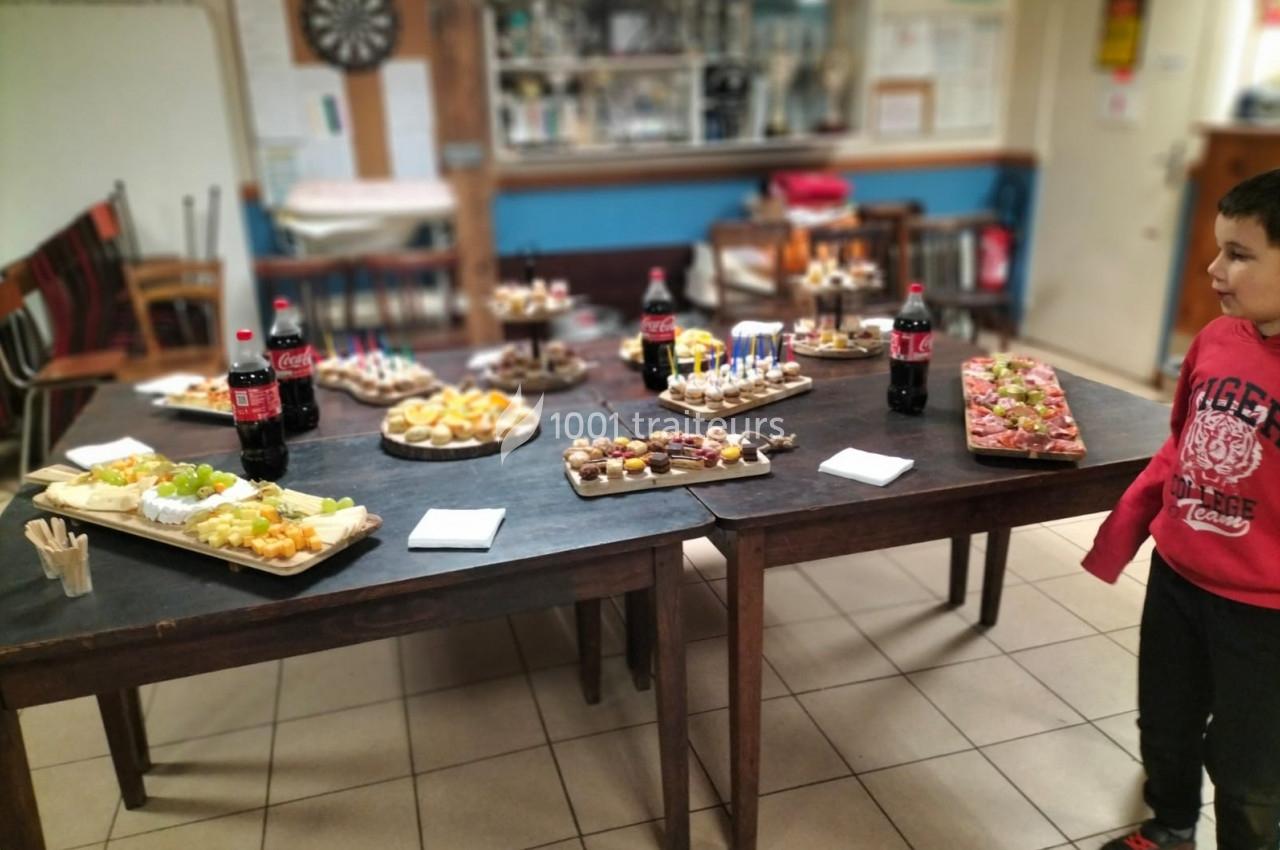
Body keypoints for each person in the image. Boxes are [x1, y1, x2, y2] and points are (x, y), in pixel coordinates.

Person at [1084, 168, 1280, 850]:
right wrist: (1129, 529)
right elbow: (1180, 443)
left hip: (1266, 614)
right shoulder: (1218, 340)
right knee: (1163, 723)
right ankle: (1169, 827)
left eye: (1240, 254)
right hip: (1178, 580)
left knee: (1251, 767)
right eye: (1218, 247)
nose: (1213, 266)